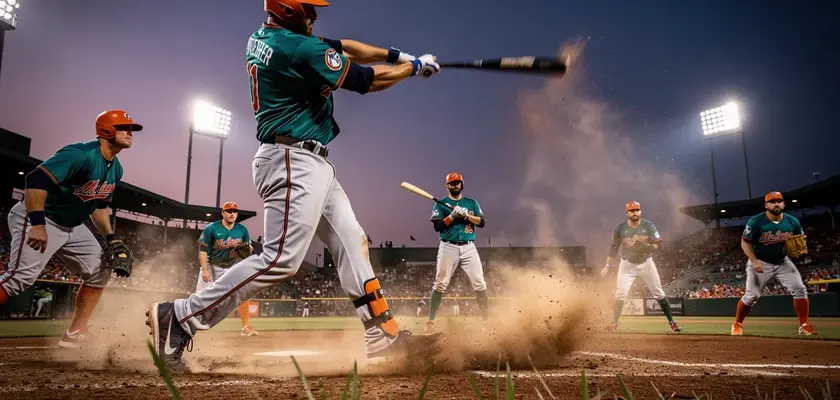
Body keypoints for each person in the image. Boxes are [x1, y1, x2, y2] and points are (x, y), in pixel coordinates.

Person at [146, 0, 442, 371]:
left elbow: (346, 46)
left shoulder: (271, 36)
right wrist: (411, 69)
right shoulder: (299, 47)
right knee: (280, 258)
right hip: (292, 160)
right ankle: (180, 317)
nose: (315, 16)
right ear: (288, 11)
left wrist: (400, 55)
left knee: (353, 241)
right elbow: (367, 80)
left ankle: (381, 333)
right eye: (308, 10)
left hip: (308, 160)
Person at [1, 110, 140, 348]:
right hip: (39, 216)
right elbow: (35, 180)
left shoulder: (116, 168)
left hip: (73, 226)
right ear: (106, 130)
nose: (130, 133)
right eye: (124, 127)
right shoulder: (80, 154)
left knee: (100, 271)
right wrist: (37, 223)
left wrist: (111, 238)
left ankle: (76, 333)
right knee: (19, 280)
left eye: (132, 129)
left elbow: (98, 204)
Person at [731, 191, 816, 336]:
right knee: (752, 296)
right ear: (766, 205)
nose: (776, 204)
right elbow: (745, 243)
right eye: (772, 201)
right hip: (760, 262)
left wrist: (802, 244)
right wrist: (754, 260)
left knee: (799, 288)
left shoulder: (793, 221)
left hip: (783, 261)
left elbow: (800, 238)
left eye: (779, 201)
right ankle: (737, 324)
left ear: (783, 204)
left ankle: (804, 325)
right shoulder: (756, 221)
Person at [600, 201, 681, 333]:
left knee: (658, 292)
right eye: (632, 210)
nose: (635, 212)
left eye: (637, 210)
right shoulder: (620, 228)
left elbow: (658, 244)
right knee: (620, 293)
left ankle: (672, 322)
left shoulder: (649, 226)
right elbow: (614, 247)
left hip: (646, 263)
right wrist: (608, 265)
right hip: (627, 264)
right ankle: (614, 323)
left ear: (640, 211)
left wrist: (647, 247)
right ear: (627, 213)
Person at [425, 173, 488, 334]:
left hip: (469, 246)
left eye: (457, 183)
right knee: (440, 283)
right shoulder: (441, 204)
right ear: (447, 186)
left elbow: (481, 222)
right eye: (452, 183)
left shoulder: (471, 203)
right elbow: (437, 227)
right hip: (448, 246)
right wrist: (452, 216)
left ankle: (486, 321)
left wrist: (467, 215)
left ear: (462, 184)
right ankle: (430, 321)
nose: (455, 186)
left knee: (480, 283)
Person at [195, 201, 258, 336]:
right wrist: (205, 269)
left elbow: (249, 250)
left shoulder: (242, 230)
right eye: (229, 211)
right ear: (223, 213)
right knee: (200, 299)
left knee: (243, 292)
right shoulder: (212, 228)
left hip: (231, 268)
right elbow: (202, 250)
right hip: (212, 267)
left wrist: (249, 250)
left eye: (234, 211)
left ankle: (246, 326)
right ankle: (190, 324)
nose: (232, 214)